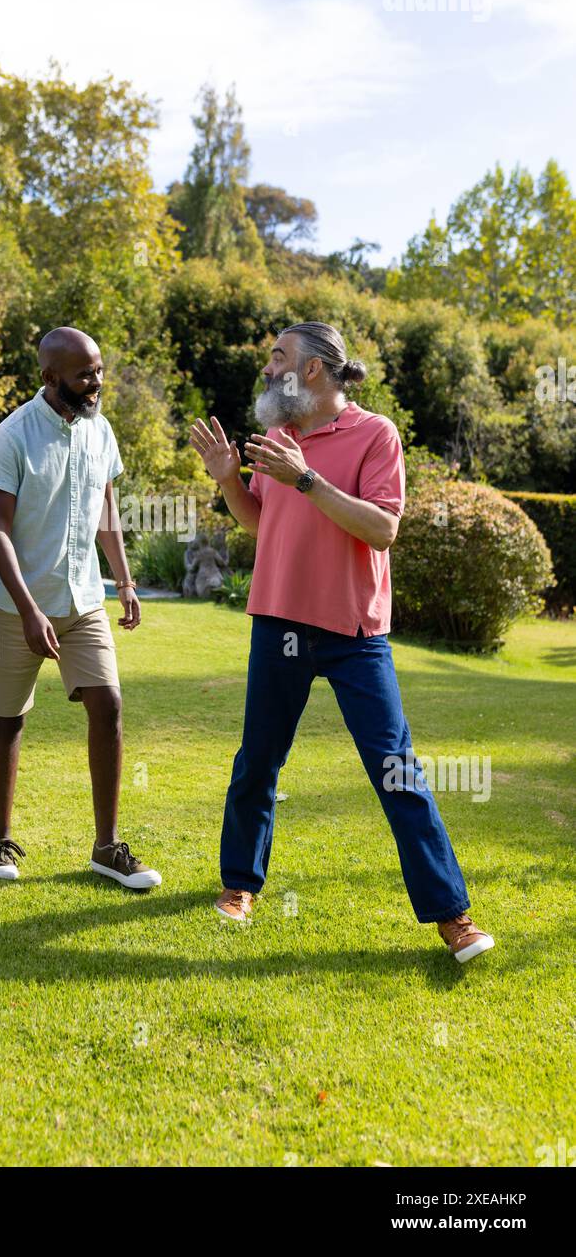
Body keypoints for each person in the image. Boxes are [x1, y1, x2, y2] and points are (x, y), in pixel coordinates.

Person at [190, 321, 494, 964]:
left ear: (315, 371)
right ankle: (240, 885)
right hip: (280, 622)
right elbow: (263, 524)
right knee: (259, 760)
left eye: (278, 358)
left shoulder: (375, 434)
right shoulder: (278, 438)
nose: (268, 369)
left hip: (356, 634)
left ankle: (453, 916)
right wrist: (227, 480)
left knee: (397, 772)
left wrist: (307, 479)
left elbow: (382, 529)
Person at [0, 327, 161, 890]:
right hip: (16, 607)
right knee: (10, 718)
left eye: (99, 371)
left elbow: (106, 511)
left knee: (107, 704)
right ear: (49, 377)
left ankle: (107, 848)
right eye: (84, 374)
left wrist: (125, 581)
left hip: (84, 601)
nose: (96, 383)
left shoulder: (100, 430)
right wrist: (30, 609)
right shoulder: (12, 435)